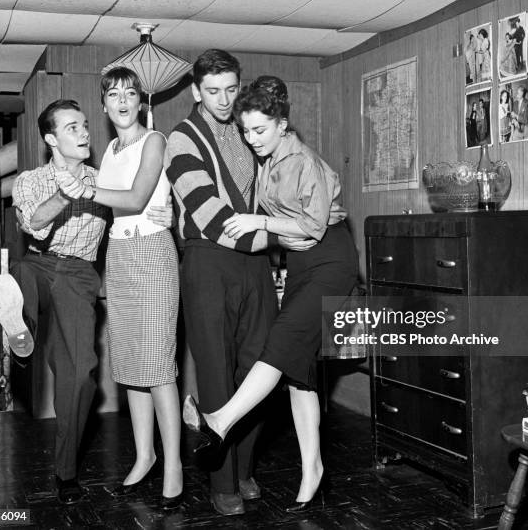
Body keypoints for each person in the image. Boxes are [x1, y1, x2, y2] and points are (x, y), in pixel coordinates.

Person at [183, 76, 359, 512]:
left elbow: (313, 228)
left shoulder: (304, 162)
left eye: (259, 130)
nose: (251, 139)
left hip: (330, 262)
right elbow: (288, 229)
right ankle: (313, 469)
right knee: (300, 375)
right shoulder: (267, 160)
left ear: (282, 124)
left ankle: (220, 420)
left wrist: (261, 224)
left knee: (278, 348)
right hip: (301, 266)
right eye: (245, 131)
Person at [163, 50, 310, 517]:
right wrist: (282, 233)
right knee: (215, 373)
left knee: (259, 370)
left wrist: (294, 224)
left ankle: (245, 470)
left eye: (230, 89)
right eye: (212, 91)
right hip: (209, 261)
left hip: (256, 261)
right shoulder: (180, 139)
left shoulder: (251, 130)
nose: (223, 100)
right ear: (194, 92)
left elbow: (284, 191)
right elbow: (210, 216)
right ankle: (221, 481)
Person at [53, 68, 183, 510]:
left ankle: (173, 465)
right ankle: (145, 455)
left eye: (130, 93)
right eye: (114, 94)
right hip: (121, 257)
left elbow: (134, 199)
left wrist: (86, 186)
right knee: (129, 363)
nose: (123, 100)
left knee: (159, 364)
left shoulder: (155, 141)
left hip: (152, 254)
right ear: (104, 106)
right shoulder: (108, 149)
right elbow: (104, 206)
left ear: (141, 102)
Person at [11, 99, 109, 504]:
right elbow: (32, 223)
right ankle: (20, 328)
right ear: (51, 138)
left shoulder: (104, 181)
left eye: (85, 125)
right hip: (39, 264)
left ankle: (65, 472)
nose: (84, 132)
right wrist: (64, 195)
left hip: (79, 275)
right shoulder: (30, 180)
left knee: (80, 374)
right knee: (21, 275)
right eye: (72, 127)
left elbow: (135, 212)